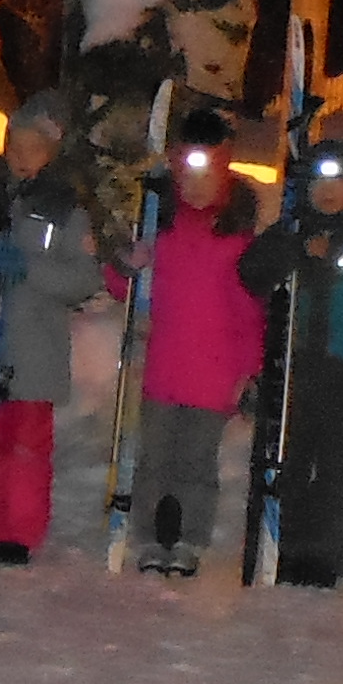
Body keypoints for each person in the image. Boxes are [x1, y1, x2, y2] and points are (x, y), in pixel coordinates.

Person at [0, 88, 109, 562]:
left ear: (51, 155)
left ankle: (17, 530)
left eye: (35, 148)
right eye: (16, 145)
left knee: (24, 446)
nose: (22, 156)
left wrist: (30, 268)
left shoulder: (66, 213)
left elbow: (83, 275)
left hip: (32, 351)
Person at [237, 119, 343, 586]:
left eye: (337, 185)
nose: (327, 194)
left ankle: (326, 551)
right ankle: (288, 545)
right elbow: (251, 273)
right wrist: (295, 250)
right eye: (318, 185)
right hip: (295, 368)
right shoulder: (288, 235)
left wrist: (332, 255)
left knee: (341, 467)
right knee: (291, 458)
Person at [124, 124, 260, 577]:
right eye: (189, 178)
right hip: (164, 370)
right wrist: (125, 263)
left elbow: (247, 314)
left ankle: (189, 538)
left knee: (196, 464)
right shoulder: (161, 231)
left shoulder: (236, 242)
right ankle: (148, 536)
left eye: (207, 179)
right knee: (155, 460)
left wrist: (248, 369)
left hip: (212, 376)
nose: (197, 189)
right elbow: (125, 286)